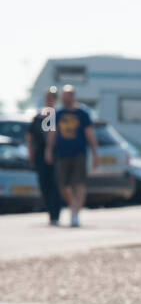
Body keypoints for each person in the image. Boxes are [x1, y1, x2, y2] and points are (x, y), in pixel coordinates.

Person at [45, 85, 98, 228]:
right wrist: (49, 150)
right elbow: (52, 133)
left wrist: (95, 154)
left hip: (79, 153)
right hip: (62, 154)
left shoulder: (83, 113)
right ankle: (74, 206)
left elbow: (90, 134)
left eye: (69, 95)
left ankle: (75, 214)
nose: (66, 98)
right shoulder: (58, 113)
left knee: (79, 184)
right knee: (63, 186)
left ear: (73, 96)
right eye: (64, 95)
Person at [27, 87, 62, 226]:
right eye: (47, 97)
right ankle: (50, 213)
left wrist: (49, 151)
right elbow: (30, 135)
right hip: (40, 155)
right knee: (44, 184)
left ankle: (55, 215)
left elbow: (52, 134)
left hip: (54, 155)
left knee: (54, 184)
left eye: (52, 98)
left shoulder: (55, 114)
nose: (49, 100)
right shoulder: (39, 116)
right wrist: (30, 151)